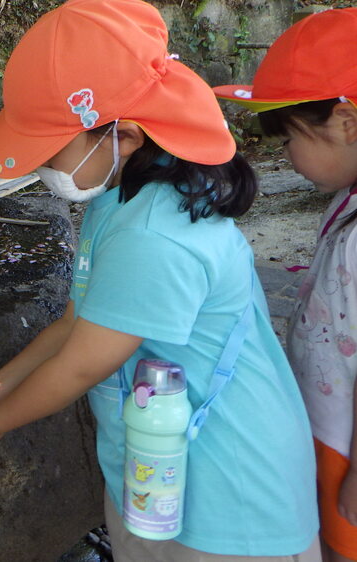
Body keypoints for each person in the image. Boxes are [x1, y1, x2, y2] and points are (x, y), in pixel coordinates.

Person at [0, 0, 319, 560]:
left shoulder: (153, 236)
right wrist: (0, 386)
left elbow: (83, 362)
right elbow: (74, 323)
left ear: (128, 135)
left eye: (51, 144)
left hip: (231, 499)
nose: (40, 162)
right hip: (159, 476)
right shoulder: (122, 197)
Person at [215, 8, 357, 562]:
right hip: (329, 432)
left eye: (289, 136)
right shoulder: (345, 203)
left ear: (346, 122)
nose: (286, 156)